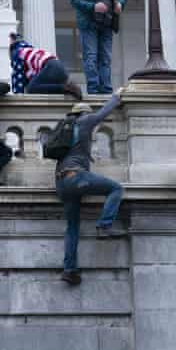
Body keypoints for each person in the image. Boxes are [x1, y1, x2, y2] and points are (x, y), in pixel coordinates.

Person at [54, 89, 126, 286]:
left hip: (61, 183)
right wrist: (116, 97)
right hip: (76, 177)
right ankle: (104, 225)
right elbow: (103, 113)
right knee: (116, 189)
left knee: (72, 227)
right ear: (84, 113)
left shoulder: (64, 127)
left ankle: (69, 270)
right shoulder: (85, 121)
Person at [70, 0, 126, 95]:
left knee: (105, 58)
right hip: (89, 25)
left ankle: (106, 90)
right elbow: (74, 0)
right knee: (91, 57)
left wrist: (120, 2)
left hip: (106, 23)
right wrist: (93, 7)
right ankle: (93, 91)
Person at [9, 33, 82, 98]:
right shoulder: (30, 50)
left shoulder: (17, 53)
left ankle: (66, 88)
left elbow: (18, 77)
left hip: (50, 67)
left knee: (31, 88)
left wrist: (17, 96)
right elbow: (30, 78)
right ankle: (68, 87)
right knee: (38, 87)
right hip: (60, 69)